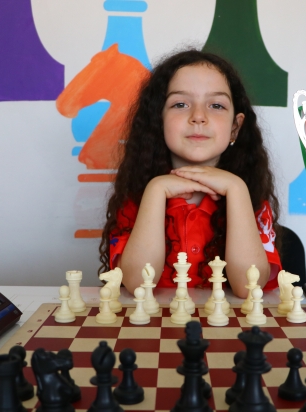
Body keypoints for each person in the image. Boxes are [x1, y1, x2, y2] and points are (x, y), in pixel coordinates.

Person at [98, 49, 282, 297]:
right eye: (180, 104)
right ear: (159, 121)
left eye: (216, 105)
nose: (198, 117)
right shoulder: (137, 198)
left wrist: (236, 189)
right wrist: (156, 190)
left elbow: (250, 287)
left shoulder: (251, 200)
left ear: (235, 127)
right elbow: (138, 284)